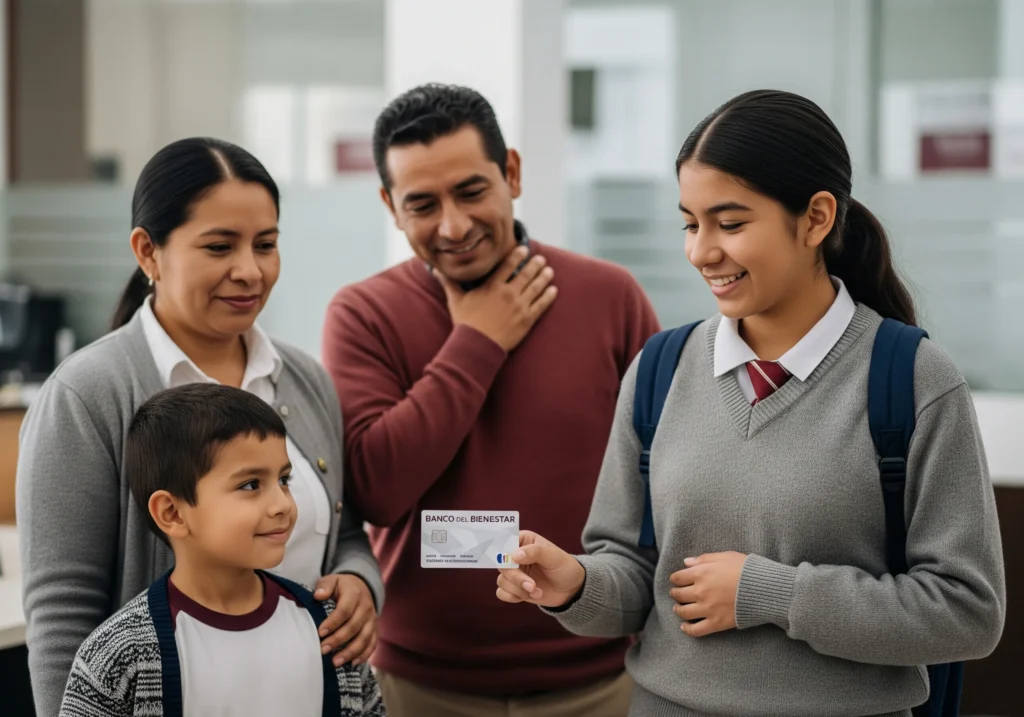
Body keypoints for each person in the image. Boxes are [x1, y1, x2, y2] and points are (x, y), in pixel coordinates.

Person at [496, 89, 1006, 716]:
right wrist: (573, 584)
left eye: (731, 224)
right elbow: (636, 580)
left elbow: (968, 612)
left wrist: (771, 593)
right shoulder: (660, 370)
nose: (702, 251)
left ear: (817, 218)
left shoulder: (915, 381)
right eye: (690, 223)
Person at [321, 84, 660, 717]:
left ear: (512, 173)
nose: (453, 225)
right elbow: (375, 488)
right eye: (422, 204)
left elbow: (666, 485)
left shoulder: (610, 297)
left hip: (602, 677)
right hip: (420, 685)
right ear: (391, 207)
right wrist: (478, 339)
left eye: (472, 191)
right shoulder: (364, 314)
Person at [17, 137, 383, 717]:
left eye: (266, 244)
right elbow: (63, 611)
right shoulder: (88, 395)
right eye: (219, 246)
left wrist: (361, 582)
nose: (249, 270)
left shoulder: (304, 379)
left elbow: (346, 531)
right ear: (148, 252)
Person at [59, 384, 386, 717]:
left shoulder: (331, 628)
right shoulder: (118, 653)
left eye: (284, 480)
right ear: (172, 513)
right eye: (250, 485)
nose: (282, 505)